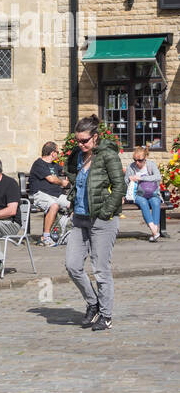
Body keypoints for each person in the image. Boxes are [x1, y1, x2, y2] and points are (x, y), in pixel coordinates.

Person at [65, 114, 124, 331]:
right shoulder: (77, 156)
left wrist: (106, 211)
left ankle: (106, 316)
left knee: (100, 270)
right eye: (78, 141)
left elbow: (120, 186)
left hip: (102, 220)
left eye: (84, 141)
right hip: (80, 219)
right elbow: (73, 177)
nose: (80, 145)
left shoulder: (108, 156)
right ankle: (93, 303)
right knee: (72, 265)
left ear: (95, 137)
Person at [28, 141, 70, 246]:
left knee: (73, 203)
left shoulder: (54, 165)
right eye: (57, 152)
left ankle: (64, 232)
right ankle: (45, 237)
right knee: (53, 205)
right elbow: (51, 179)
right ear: (52, 153)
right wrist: (62, 182)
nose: (58, 154)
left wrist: (69, 174)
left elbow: (67, 171)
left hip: (55, 195)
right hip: (39, 194)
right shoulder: (39, 163)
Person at [124, 146, 163, 241]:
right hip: (137, 194)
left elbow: (158, 177)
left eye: (140, 160)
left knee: (155, 202)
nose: (137, 162)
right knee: (143, 202)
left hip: (152, 193)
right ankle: (154, 229)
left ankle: (155, 232)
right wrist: (129, 179)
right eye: (135, 160)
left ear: (145, 158)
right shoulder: (131, 166)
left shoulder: (151, 165)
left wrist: (140, 178)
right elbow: (125, 181)